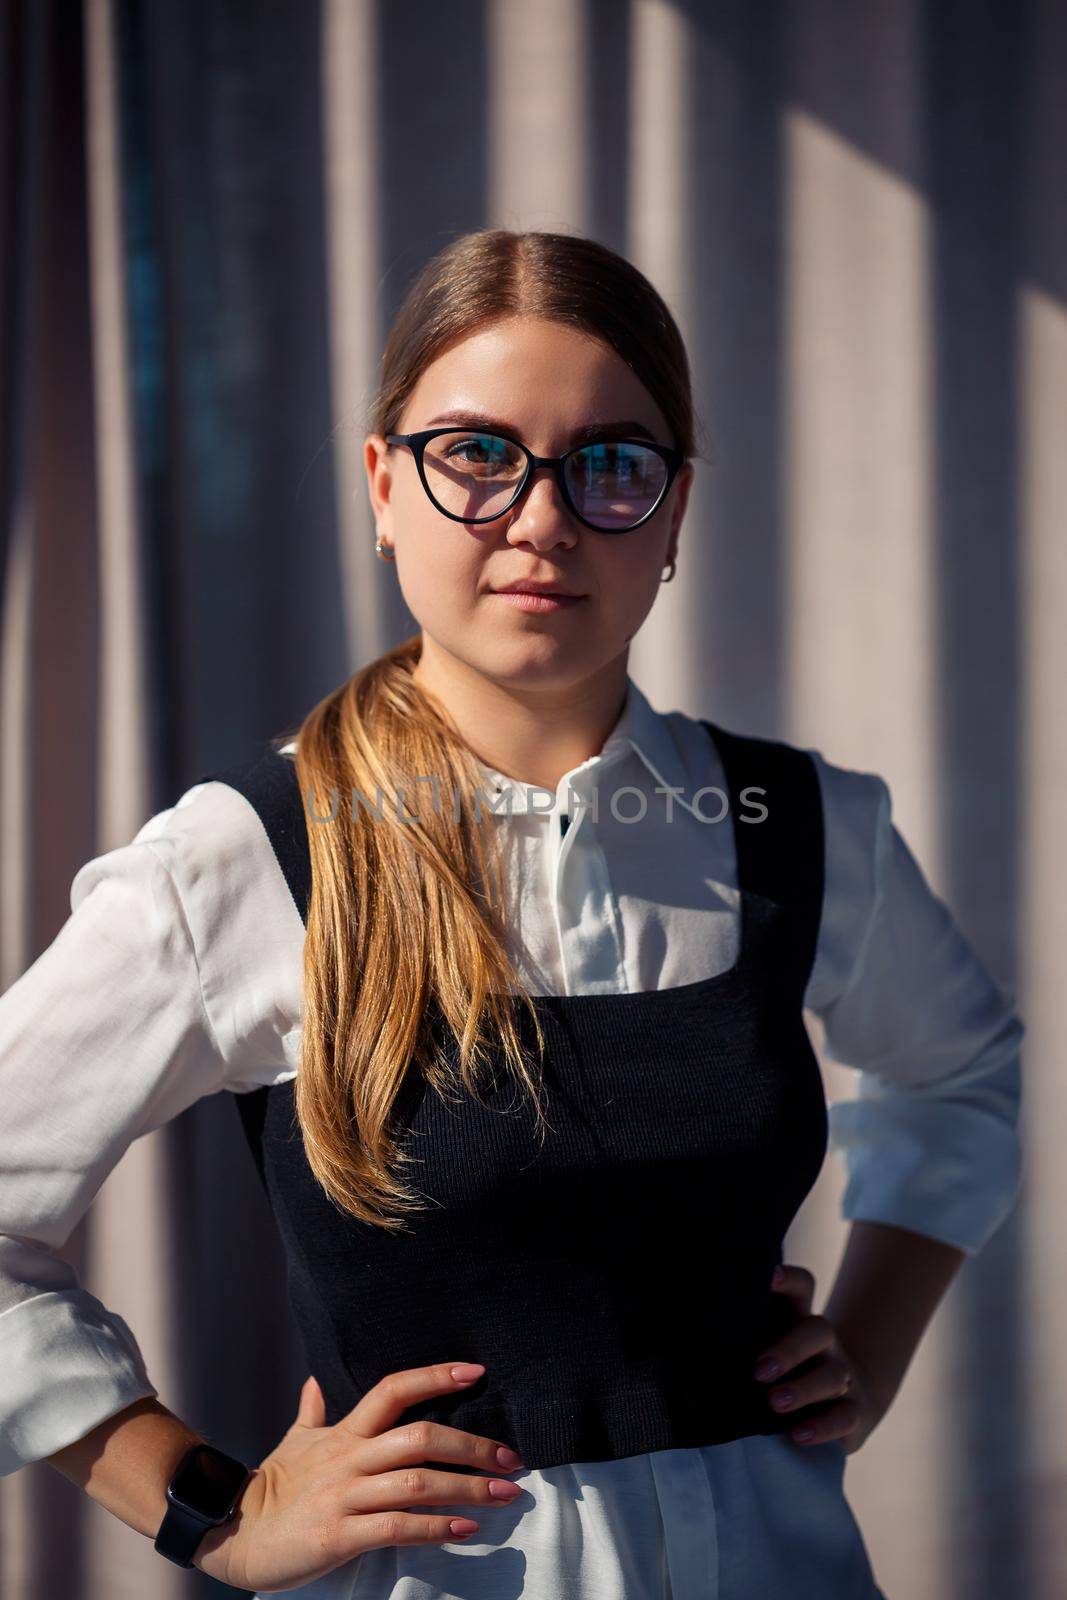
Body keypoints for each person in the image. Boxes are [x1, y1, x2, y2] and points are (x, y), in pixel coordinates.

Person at [0, 229, 1023, 1599]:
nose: (541, 518)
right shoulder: (248, 857)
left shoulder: (802, 829)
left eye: (610, 464)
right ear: (383, 483)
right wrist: (212, 1511)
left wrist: (872, 1347)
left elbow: (962, 1077)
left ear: (672, 515)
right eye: (477, 456)